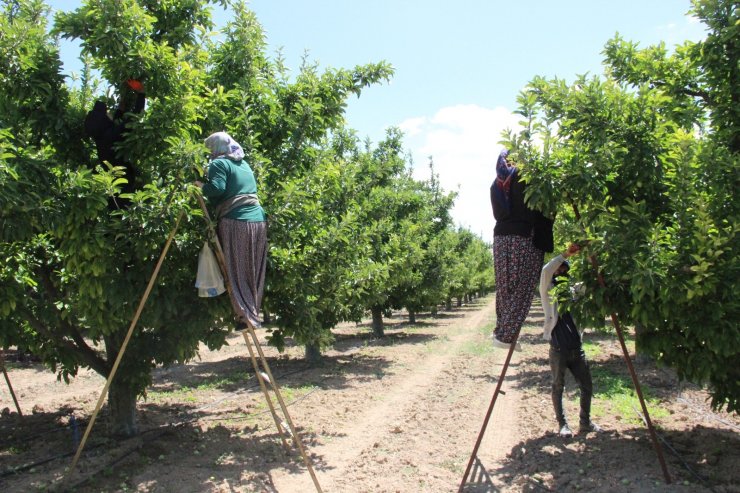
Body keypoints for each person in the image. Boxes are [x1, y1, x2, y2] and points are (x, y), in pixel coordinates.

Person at [196, 131, 268, 330]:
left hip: (236, 221)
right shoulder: (243, 164)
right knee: (252, 271)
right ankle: (251, 313)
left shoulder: (218, 163)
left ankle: (245, 317)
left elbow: (217, 188)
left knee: (236, 271)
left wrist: (200, 186)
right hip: (258, 222)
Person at [490, 149, 552, 350]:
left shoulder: (496, 183)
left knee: (505, 288)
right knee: (523, 287)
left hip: (501, 238)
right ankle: (506, 335)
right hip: (524, 237)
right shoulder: (525, 177)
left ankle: (502, 331)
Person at [540, 243, 602, 437]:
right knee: (558, 386)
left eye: (564, 269)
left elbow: (591, 283)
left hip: (577, 348)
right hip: (558, 348)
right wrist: (566, 254)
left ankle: (585, 423)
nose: (560, 271)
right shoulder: (548, 289)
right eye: (558, 269)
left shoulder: (574, 291)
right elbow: (545, 271)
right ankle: (563, 425)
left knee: (587, 385)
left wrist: (592, 257)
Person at [83, 79, 146, 210]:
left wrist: (121, 108)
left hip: (115, 191)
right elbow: (133, 120)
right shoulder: (109, 136)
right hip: (124, 190)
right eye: (107, 113)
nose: (109, 113)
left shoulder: (102, 138)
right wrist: (141, 93)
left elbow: (115, 126)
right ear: (103, 120)